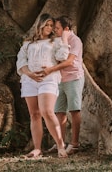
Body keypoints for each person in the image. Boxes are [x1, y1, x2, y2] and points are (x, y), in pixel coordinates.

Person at [16, 13, 70, 158]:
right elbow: (21, 61)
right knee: (35, 114)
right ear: (40, 25)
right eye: (46, 24)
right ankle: (37, 149)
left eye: (51, 25)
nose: (49, 28)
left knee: (47, 111)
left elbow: (62, 57)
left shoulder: (56, 42)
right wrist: (29, 74)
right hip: (30, 80)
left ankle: (60, 145)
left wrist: (64, 40)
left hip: (49, 79)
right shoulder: (28, 44)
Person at [43, 15, 84, 155]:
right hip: (60, 79)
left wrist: (50, 70)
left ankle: (75, 144)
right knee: (59, 112)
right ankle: (60, 143)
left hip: (73, 78)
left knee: (74, 110)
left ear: (66, 29)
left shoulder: (75, 41)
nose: (55, 31)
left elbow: (68, 62)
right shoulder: (58, 41)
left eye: (57, 28)